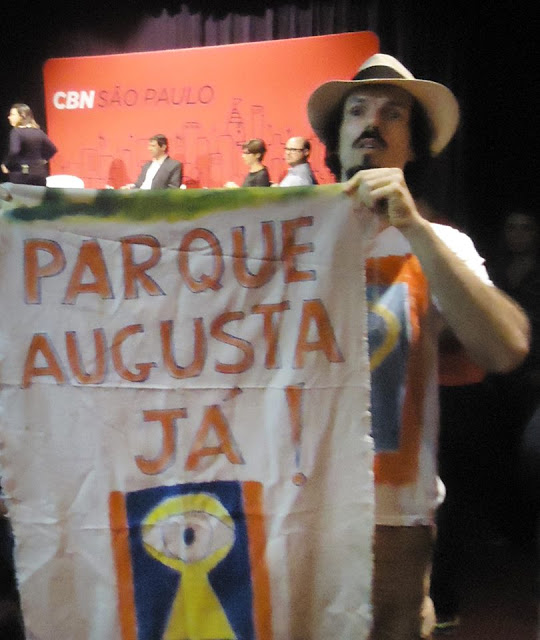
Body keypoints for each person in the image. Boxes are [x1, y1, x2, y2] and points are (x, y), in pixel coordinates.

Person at [307, 53, 530, 639]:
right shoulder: (284, 239)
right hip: (290, 493)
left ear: (414, 145)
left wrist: (414, 228)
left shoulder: (440, 244)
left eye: (393, 114)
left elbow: (505, 348)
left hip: (391, 507)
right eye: (357, 111)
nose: (371, 122)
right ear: (337, 138)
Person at [1, 103, 57, 187]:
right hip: (40, 174)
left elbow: (14, 151)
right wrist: (44, 160)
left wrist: (6, 165)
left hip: (22, 176)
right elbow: (53, 149)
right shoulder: (38, 132)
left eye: (12, 114)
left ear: (22, 116)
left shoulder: (16, 132)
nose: (9, 117)